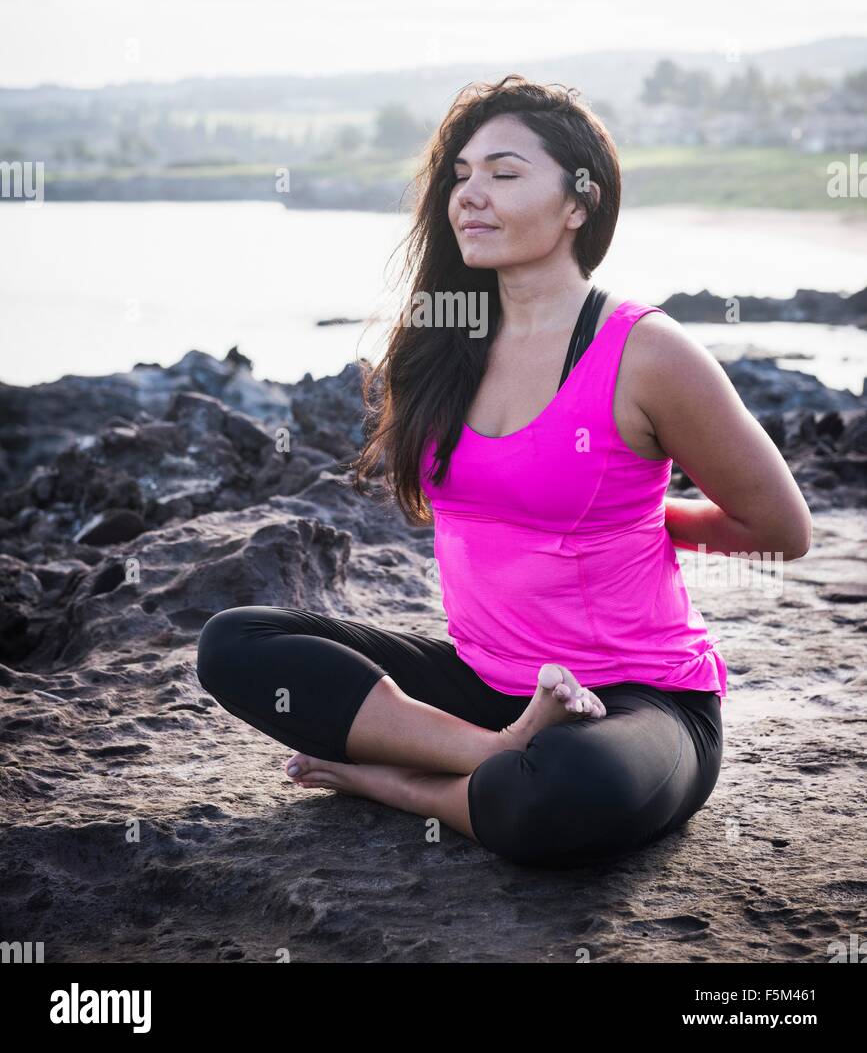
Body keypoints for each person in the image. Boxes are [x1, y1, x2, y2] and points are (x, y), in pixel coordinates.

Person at [196, 74, 812, 868]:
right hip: (483, 680)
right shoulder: (442, 344)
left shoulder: (645, 353)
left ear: (578, 204)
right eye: (461, 175)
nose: (469, 196)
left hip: (638, 699)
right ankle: (497, 750)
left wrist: (641, 520)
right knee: (235, 644)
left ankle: (403, 783)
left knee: (560, 786)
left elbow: (780, 530)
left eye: (504, 173)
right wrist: (511, 729)